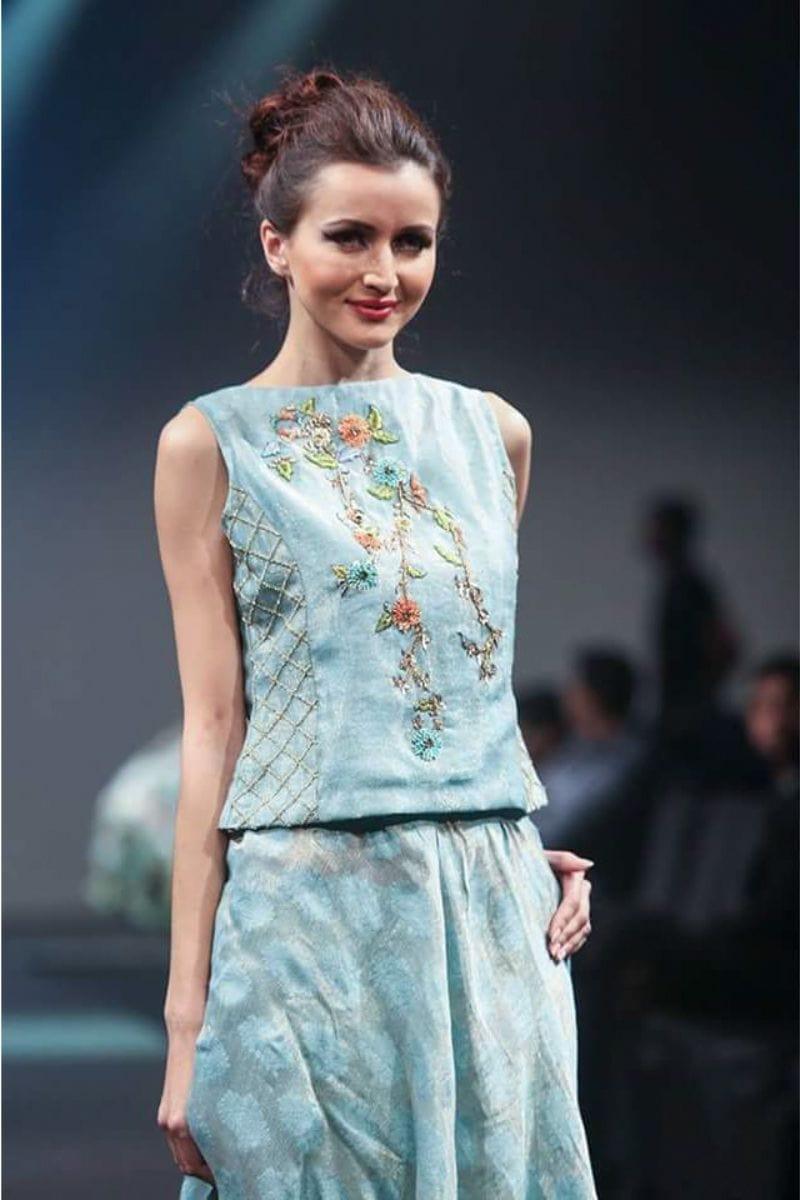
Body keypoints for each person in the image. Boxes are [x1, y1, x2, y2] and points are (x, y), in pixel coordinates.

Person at [154, 64, 598, 1199]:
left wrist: (511, 836)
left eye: (413, 242)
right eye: (349, 236)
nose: (383, 273)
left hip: (487, 920)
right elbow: (213, 729)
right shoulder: (210, 445)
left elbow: (462, 680)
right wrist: (185, 1018)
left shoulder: (492, 434)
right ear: (277, 244)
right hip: (305, 917)